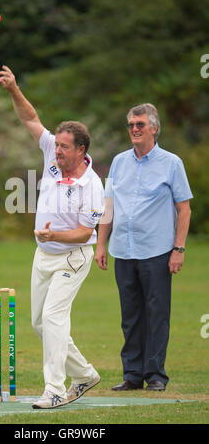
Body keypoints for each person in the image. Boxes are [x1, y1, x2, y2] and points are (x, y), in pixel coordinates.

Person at [0, 65, 104, 408]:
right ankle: (85, 374)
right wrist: (14, 89)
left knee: (55, 318)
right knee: (40, 324)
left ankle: (56, 390)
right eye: (55, 145)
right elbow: (30, 119)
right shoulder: (51, 155)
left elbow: (86, 232)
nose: (56, 151)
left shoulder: (92, 184)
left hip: (72, 257)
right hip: (43, 253)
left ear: (81, 149)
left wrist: (53, 233)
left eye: (63, 147)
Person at [95, 103, 192, 391]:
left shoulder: (172, 163)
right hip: (123, 250)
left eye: (140, 124)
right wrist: (101, 244)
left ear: (154, 128)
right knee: (131, 315)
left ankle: (156, 375)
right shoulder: (119, 162)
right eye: (131, 125)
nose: (135, 129)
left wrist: (179, 249)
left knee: (157, 313)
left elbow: (184, 209)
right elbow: (108, 206)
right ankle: (132, 375)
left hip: (157, 251)